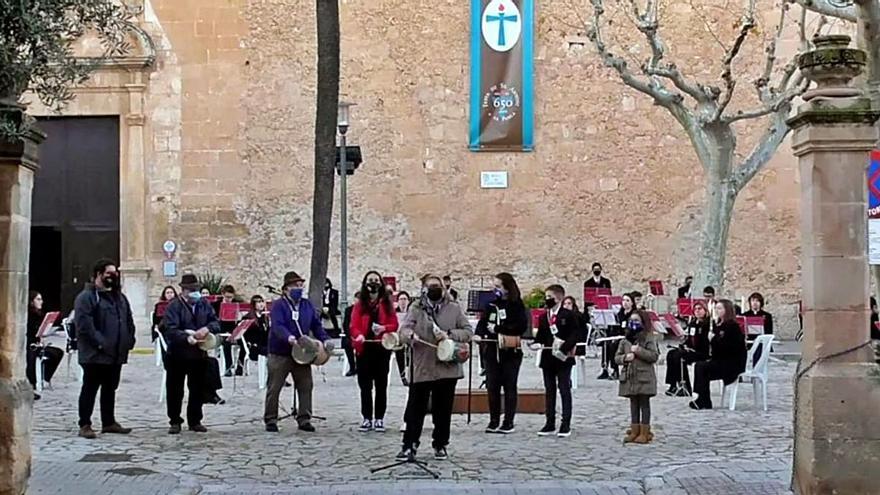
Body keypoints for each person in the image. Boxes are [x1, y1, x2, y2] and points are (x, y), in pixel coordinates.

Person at [396, 274, 473, 461]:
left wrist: (449, 334)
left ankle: (440, 443)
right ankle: (409, 445)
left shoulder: (453, 308)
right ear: (423, 288)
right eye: (430, 286)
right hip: (423, 364)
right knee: (416, 407)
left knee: (443, 409)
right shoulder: (416, 308)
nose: (434, 288)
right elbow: (404, 330)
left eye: (437, 285)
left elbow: (468, 331)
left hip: (447, 366)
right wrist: (409, 335)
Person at [74, 259, 136, 439]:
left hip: (116, 353)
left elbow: (128, 319)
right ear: (99, 275)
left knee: (110, 388)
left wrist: (129, 339)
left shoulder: (119, 297)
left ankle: (108, 422)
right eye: (109, 273)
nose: (113, 276)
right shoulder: (86, 298)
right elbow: (85, 326)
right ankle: (85, 423)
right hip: (94, 354)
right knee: (90, 388)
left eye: (115, 273)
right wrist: (101, 343)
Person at [264, 271, 332, 433]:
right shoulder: (279, 305)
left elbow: (316, 325)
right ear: (286, 289)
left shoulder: (306, 305)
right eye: (296, 285)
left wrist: (325, 338)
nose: (299, 288)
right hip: (281, 352)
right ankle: (270, 419)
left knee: (305, 385)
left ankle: (304, 417)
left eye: (301, 285)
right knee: (274, 387)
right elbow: (278, 326)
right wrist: (289, 338)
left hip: (303, 352)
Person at [161, 273, 220, 433]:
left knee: (197, 388)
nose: (195, 293)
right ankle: (175, 420)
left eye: (196, 289)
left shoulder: (203, 304)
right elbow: (170, 330)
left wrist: (207, 329)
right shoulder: (174, 306)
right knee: (175, 389)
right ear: (184, 291)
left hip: (198, 354)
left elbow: (215, 322)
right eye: (191, 290)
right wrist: (186, 337)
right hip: (178, 354)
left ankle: (195, 420)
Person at [474, 273, 528, 434]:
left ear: (507, 287)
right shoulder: (491, 305)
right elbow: (483, 323)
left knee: (509, 386)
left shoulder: (517, 305)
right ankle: (494, 420)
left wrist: (499, 329)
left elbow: (520, 327)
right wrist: (478, 334)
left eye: (498, 286)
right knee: (492, 386)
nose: (495, 289)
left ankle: (508, 421)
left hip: (510, 352)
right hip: (492, 351)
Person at [350, 271, 400, 433]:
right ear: (365, 283)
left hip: (381, 347)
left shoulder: (386, 304)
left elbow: (394, 324)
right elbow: (353, 325)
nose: (373, 283)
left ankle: (379, 418)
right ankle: (366, 417)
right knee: (365, 386)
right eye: (370, 280)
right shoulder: (359, 305)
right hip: (364, 348)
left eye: (376, 280)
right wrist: (358, 335)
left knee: (381, 385)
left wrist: (383, 328)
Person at [533, 284, 579, 437]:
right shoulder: (543, 316)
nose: (547, 300)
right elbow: (540, 336)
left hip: (563, 358)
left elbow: (575, 334)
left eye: (549, 297)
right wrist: (536, 343)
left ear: (558, 298)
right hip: (548, 358)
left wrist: (564, 348)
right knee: (549, 390)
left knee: (564, 389)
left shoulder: (569, 315)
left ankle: (565, 423)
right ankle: (549, 422)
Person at [690, 299, 747, 410]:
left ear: (727, 310)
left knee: (701, 367)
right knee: (700, 366)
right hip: (722, 360)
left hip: (732, 363)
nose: (717, 310)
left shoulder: (732, 326)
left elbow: (730, 347)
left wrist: (714, 339)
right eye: (716, 308)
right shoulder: (719, 325)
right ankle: (703, 399)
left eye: (720, 308)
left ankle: (702, 399)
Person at [615, 310, 660, 444]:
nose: (633, 324)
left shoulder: (648, 337)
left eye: (636, 321)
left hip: (644, 377)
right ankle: (634, 429)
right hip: (630, 377)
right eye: (631, 321)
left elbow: (654, 356)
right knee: (633, 403)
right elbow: (617, 357)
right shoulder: (625, 340)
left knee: (644, 404)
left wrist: (639, 351)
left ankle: (645, 431)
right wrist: (624, 358)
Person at [664, 301, 710, 396]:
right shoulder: (693, 323)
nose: (697, 311)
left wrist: (691, 348)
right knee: (671, 354)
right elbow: (690, 338)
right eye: (695, 309)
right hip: (691, 350)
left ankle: (685, 386)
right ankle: (673, 385)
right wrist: (685, 342)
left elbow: (705, 341)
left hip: (702, 352)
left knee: (679, 356)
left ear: (705, 310)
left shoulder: (708, 324)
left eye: (700, 309)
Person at [26, 291, 64, 400]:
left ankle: (45, 378)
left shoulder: (40, 314)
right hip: (30, 345)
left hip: (37, 344)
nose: (41, 302)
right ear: (31, 302)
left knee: (57, 353)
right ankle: (32, 384)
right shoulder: (29, 315)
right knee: (31, 357)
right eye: (38, 299)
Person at [599, 293, 635, 380]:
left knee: (613, 346)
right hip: (619, 336)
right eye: (623, 300)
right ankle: (605, 368)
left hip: (629, 337)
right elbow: (616, 327)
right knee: (606, 344)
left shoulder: (634, 314)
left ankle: (615, 370)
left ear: (632, 303)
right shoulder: (620, 314)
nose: (625, 303)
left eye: (627, 300)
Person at [214, 285, 244, 376]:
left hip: (232, 330)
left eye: (231, 297)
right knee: (226, 344)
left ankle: (240, 366)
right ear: (222, 294)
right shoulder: (216, 305)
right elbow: (213, 320)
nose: (229, 299)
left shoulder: (236, 304)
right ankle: (229, 367)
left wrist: (239, 317)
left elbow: (238, 322)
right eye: (227, 297)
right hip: (221, 331)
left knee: (244, 344)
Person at [244, 294, 270, 360]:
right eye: (258, 302)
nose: (261, 304)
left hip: (264, 345)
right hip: (254, 346)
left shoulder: (265, 318)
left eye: (262, 302)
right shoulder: (248, 318)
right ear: (254, 304)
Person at [393, 291, 411, 386]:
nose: (403, 302)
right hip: (398, 338)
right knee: (400, 357)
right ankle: (403, 376)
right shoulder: (394, 313)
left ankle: (410, 375)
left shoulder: (411, 312)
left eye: (405, 299)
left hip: (410, 338)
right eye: (401, 299)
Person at [341, 296, 358, 377]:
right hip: (351, 334)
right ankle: (352, 367)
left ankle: (360, 365)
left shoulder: (365, 309)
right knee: (347, 343)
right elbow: (346, 324)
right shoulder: (349, 310)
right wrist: (350, 335)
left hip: (362, 334)